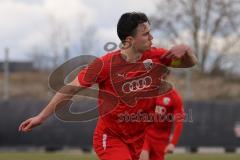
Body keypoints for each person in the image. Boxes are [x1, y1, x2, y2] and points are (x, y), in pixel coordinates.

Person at [18, 12, 197, 160]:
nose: (151, 37)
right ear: (129, 40)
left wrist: (186, 50)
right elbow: (71, 88)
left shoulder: (155, 56)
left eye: (150, 32)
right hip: (111, 137)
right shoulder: (105, 65)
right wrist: (41, 117)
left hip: (138, 139)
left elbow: (189, 63)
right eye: (145, 34)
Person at [139, 89, 185, 160]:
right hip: (146, 134)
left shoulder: (174, 96)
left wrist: (173, 143)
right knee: (143, 157)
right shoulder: (148, 91)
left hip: (161, 139)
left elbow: (179, 122)